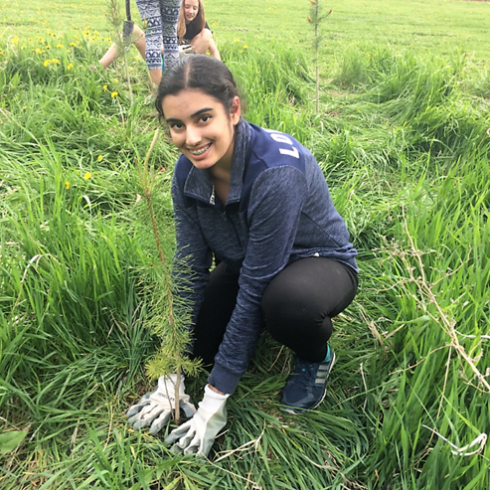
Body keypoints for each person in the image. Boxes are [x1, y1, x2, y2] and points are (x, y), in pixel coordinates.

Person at [126, 56, 358, 457]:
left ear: (232, 110)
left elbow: (255, 287)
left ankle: (315, 356)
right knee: (199, 342)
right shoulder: (187, 175)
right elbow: (189, 268)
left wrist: (215, 401)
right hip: (248, 262)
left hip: (317, 260)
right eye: (176, 125)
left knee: (288, 305)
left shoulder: (275, 173)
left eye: (203, 119)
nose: (191, 138)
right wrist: (172, 372)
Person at [97, 0, 220, 73]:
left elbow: (212, 47)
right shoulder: (171, 16)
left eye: (195, 8)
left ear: (199, 9)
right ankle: (99, 67)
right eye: (187, 7)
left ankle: (188, 77)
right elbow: (155, 42)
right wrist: (175, 51)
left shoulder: (200, 23)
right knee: (132, 30)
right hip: (160, 60)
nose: (191, 11)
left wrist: (220, 70)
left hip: (185, 66)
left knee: (206, 34)